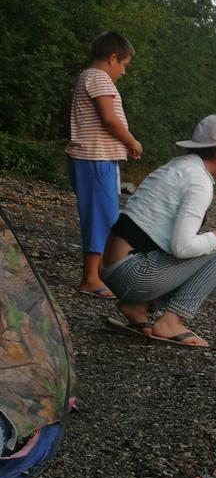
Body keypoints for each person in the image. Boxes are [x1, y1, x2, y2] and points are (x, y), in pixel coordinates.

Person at [101, 114, 216, 347]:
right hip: (132, 273)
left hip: (112, 268)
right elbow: (182, 247)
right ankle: (171, 321)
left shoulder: (179, 166)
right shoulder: (199, 182)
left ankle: (138, 306)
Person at [66, 31, 143, 299]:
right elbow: (109, 119)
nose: (123, 72)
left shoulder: (86, 77)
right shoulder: (99, 78)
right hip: (95, 159)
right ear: (112, 58)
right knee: (101, 219)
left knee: (103, 216)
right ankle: (91, 278)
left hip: (96, 158)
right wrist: (132, 141)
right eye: (124, 65)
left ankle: (98, 275)